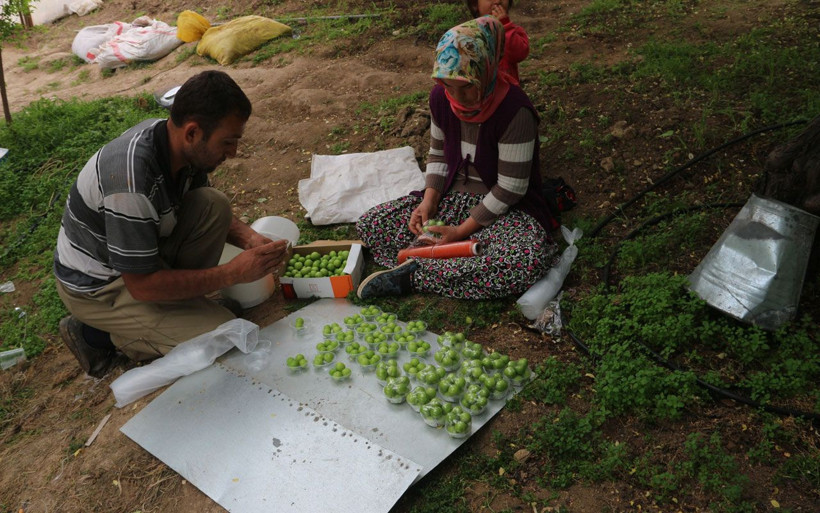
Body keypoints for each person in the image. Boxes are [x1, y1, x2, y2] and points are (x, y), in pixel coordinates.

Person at [54, 70, 289, 378]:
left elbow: (199, 203)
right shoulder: (131, 182)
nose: (233, 153)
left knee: (213, 204)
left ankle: (180, 309)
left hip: (140, 259)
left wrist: (249, 238)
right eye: (228, 142)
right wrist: (233, 273)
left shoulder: (178, 145)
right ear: (192, 133)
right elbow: (142, 285)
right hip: (101, 286)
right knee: (225, 334)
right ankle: (96, 335)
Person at [356, 16, 557, 300]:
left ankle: (413, 274)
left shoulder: (515, 112)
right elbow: (438, 154)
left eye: (466, 87)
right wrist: (429, 201)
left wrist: (461, 231)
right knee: (372, 223)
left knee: (523, 261)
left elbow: (510, 188)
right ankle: (450, 260)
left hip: (503, 210)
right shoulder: (440, 99)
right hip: (452, 200)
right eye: (448, 86)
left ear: (486, 69)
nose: (457, 97)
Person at [466, 0, 529, 85]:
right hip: (480, 90)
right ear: (474, 4)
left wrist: (505, 27)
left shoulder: (512, 31)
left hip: (508, 89)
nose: (498, 1)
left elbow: (519, 54)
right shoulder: (466, 34)